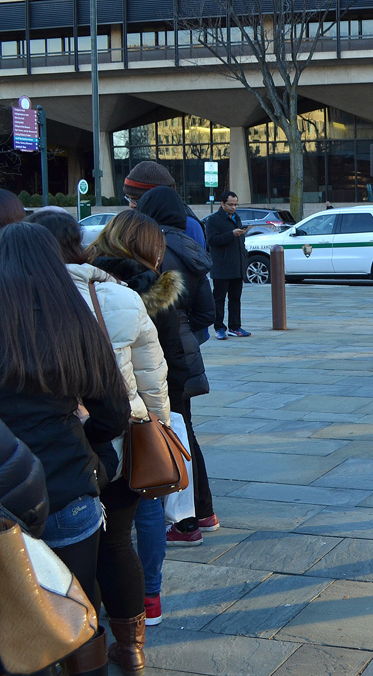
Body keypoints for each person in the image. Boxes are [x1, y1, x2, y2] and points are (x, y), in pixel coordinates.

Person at [28, 208, 170, 669]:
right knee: (116, 542)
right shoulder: (120, 296)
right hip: (123, 435)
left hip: (59, 442)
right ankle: (130, 650)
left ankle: (68, 642)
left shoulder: (29, 297)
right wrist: (159, 432)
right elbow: (152, 376)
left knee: (58, 550)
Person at [0, 222, 132, 676]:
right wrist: (81, 433)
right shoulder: (75, 322)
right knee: (79, 608)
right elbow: (114, 412)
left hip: (5, 498)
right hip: (68, 486)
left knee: (12, 620)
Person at [89, 210, 195, 633]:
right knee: (147, 502)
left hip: (89, 418)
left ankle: (94, 607)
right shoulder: (152, 289)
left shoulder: (80, 281)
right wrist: (163, 424)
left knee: (103, 525)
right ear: (154, 249)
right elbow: (159, 366)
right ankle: (148, 599)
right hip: (136, 415)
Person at [136, 187, 218, 546]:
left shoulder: (151, 249)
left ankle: (185, 522)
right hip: (186, 351)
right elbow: (207, 313)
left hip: (158, 350)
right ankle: (204, 511)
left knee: (166, 431)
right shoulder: (191, 248)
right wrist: (186, 329)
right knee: (185, 429)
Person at [123, 161, 206, 249]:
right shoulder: (137, 222)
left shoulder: (189, 226)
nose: (131, 205)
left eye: (136, 200)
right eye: (128, 198)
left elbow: (196, 260)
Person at [205, 189, 250, 339]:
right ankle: (219, 328)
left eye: (235, 205)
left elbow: (239, 241)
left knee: (235, 299)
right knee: (219, 299)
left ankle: (235, 326)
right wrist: (231, 234)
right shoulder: (214, 220)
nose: (233, 207)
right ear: (222, 203)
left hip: (237, 266)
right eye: (230, 204)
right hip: (222, 267)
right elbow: (212, 240)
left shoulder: (236, 218)